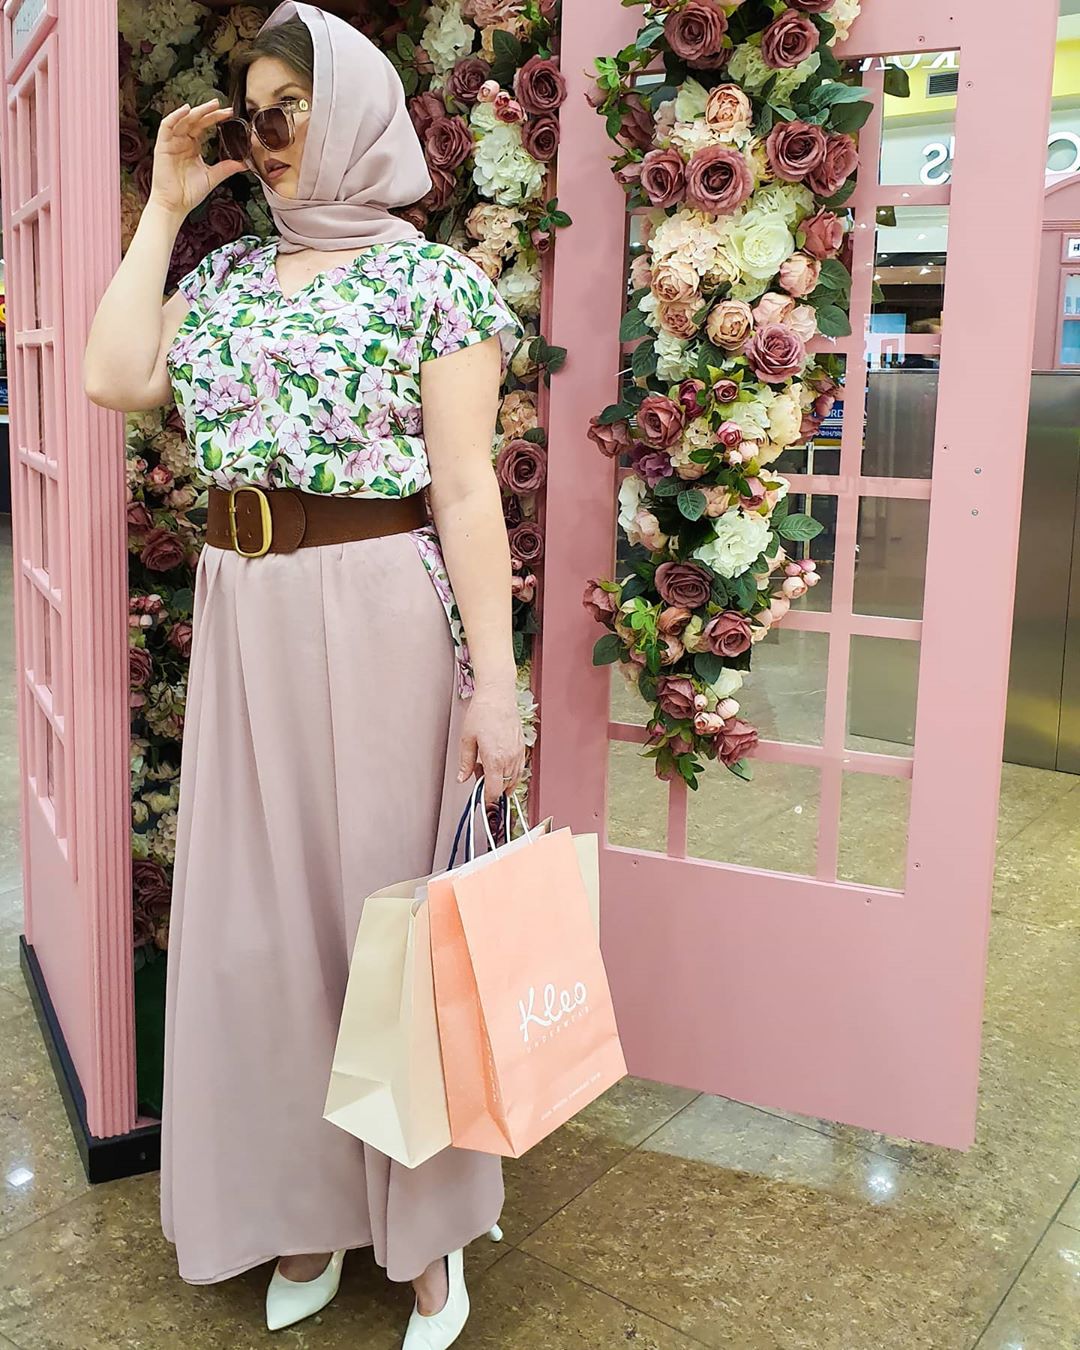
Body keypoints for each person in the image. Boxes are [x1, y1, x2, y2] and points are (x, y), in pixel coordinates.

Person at [83, 4, 527, 1345]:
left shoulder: (430, 283)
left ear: (349, 114)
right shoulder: (217, 278)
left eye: (293, 110)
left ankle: (431, 1233)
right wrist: (164, 206)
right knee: (263, 937)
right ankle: (309, 1206)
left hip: (380, 612)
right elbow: (113, 375)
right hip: (244, 615)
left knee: (388, 931)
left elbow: (464, 491)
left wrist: (494, 690)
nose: (271, 139)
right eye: (252, 115)